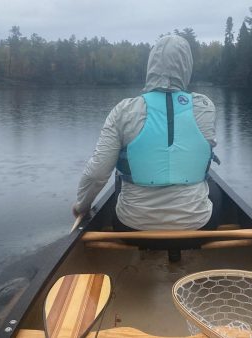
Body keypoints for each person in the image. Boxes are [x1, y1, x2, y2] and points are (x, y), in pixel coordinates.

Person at [72, 35, 219, 238]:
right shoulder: (205, 107)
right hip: (198, 227)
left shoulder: (124, 110)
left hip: (132, 228)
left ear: (151, 66)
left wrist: (82, 205)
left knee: (118, 178)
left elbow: (97, 174)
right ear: (187, 67)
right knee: (214, 189)